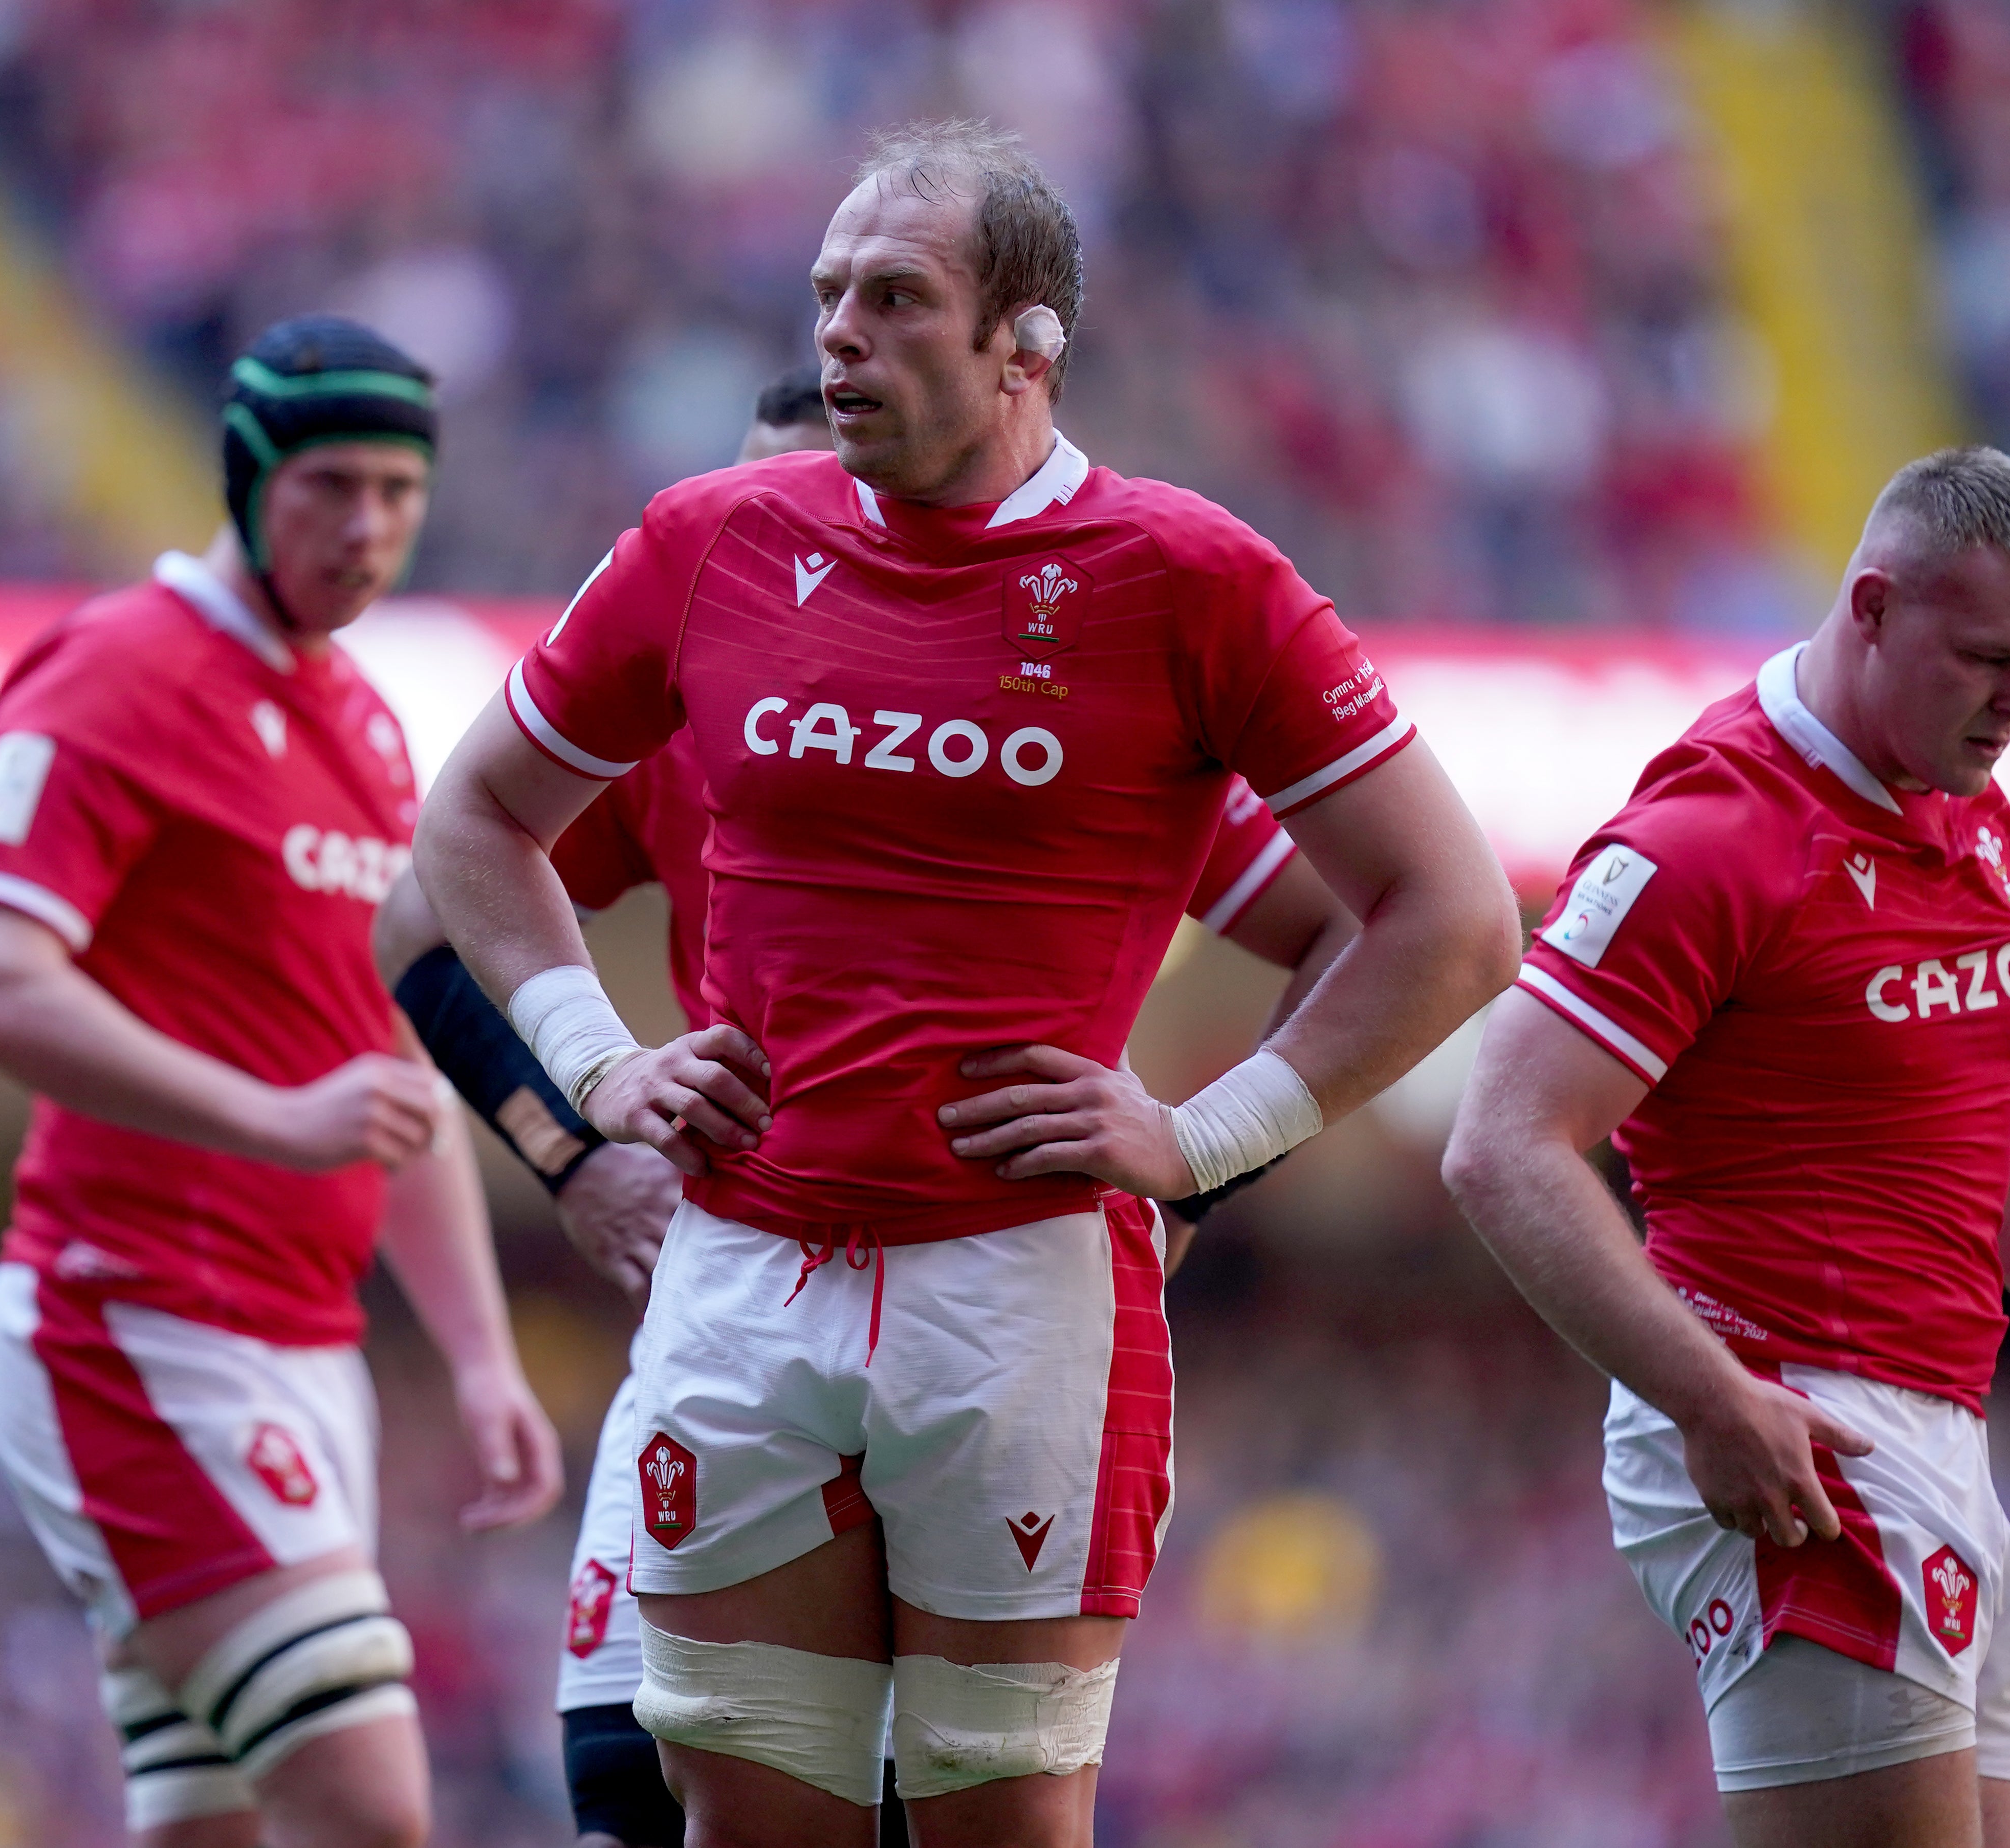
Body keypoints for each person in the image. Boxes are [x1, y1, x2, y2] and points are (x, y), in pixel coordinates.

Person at [414, 122, 1517, 1847]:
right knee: (730, 1817)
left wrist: (1209, 1137)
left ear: (1029, 343)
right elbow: (473, 820)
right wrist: (592, 1068)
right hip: (746, 1268)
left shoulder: (1191, 579)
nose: (841, 330)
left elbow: (1451, 915)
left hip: (1020, 1292)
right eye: (829, 294)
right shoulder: (708, 542)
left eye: (895, 298)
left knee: (1000, 1825)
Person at [1442, 448, 2010, 1848]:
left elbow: (1984, 1085)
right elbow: (1502, 1145)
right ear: (1871, 608)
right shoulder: (1714, 835)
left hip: (1937, 1436)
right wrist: (1710, 1396)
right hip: (1801, 1421)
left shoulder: (1964, 803)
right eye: (1991, 657)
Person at [0, 315, 564, 1848]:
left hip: (301, 1343)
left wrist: (480, 1356)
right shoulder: (117, 673)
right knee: (367, 1802)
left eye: (400, 494)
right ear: (248, 472)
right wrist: (269, 1115)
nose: (369, 529)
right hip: (128, 1325)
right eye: (333, 485)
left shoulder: (359, 714)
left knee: (209, 1824)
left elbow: (388, 1062)